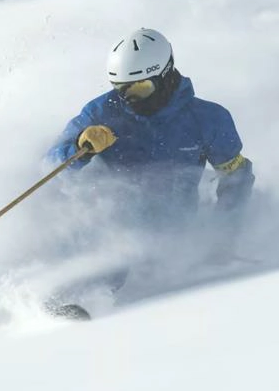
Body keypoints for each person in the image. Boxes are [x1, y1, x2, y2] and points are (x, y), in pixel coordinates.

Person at [46, 28, 255, 293]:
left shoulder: (206, 119)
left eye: (141, 89)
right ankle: (57, 305)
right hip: (109, 222)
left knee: (132, 253)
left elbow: (236, 176)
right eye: (121, 89)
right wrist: (79, 148)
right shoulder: (102, 113)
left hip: (173, 231)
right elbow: (50, 166)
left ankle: (80, 305)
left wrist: (222, 234)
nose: (130, 99)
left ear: (165, 75)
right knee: (108, 247)